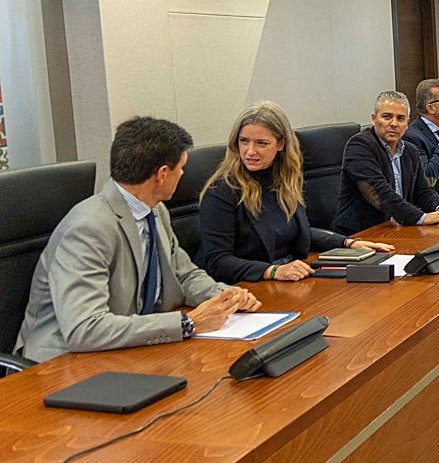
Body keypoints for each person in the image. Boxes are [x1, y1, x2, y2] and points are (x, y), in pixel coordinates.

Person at [17, 117, 261, 362]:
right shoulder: (88, 229)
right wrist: (187, 323)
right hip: (63, 361)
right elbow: (85, 328)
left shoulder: (154, 209)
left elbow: (184, 275)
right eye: (181, 168)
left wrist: (225, 297)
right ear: (162, 174)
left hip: (128, 348)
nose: (184, 174)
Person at [196, 101, 394, 284]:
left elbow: (298, 232)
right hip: (251, 285)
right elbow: (217, 261)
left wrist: (348, 243)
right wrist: (272, 271)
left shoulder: (283, 180)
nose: (250, 151)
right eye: (244, 141)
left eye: (261, 143)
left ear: (281, 144)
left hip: (291, 278)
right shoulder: (222, 191)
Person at [331, 91, 439, 234]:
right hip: (361, 233)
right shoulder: (359, 145)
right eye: (387, 117)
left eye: (400, 118)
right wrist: (422, 217)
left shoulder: (409, 150)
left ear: (407, 123)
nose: (393, 123)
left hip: (396, 229)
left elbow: (423, 191)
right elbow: (379, 193)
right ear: (374, 119)